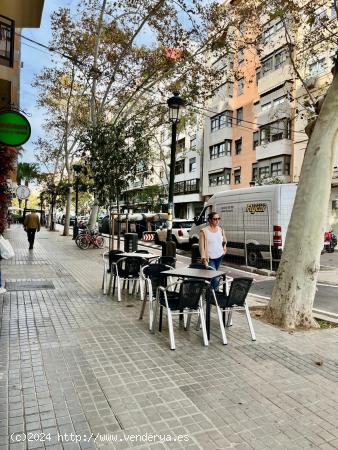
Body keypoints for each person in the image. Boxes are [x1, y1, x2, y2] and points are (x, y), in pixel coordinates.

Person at [199, 211, 227, 289]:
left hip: (219, 256)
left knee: (213, 276)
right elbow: (201, 246)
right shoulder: (204, 231)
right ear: (210, 220)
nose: (217, 220)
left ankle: (209, 293)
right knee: (214, 277)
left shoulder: (221, 229)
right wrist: (204, 258)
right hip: (209, 258)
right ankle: (215, 295)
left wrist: (224, 249)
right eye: (215, 219)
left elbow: (224, 240)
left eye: (219, 218)